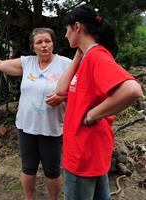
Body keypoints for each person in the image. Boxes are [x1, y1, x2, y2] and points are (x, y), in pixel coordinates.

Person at [0, 28, 72, 200]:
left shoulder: (66, 64)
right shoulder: (27, 63)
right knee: (28, 167)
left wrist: (64, 96)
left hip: (52, 128)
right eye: (39, 42)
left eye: (47, 41)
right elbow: (0, 64)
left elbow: (80, 90)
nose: (44, 45)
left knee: (52, 170)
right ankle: (28, 197)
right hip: (26, 127)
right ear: (33, 47)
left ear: (53, 43)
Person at [54, 4, 143, 200]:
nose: (65, 35)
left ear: (77, 27)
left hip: (84, 153)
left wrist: (92, 115)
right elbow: (60, 90)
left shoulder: (96, 56)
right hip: (88, 151)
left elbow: (133, 89)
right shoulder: (87, 57)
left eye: (66, 29)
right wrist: (79, 54)